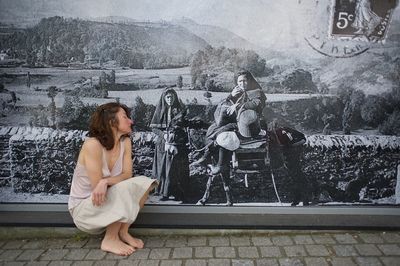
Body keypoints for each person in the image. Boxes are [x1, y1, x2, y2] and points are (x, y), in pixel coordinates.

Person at [68, 102, 158, 256]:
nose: (131, 121)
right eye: (125, 117)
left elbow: (126, 175)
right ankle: (110, 239)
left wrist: (106, 181)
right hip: (85, 210)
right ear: (111, 122)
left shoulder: (125, 142)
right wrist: (103, 183)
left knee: (144, 184)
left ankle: (123, 232)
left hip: (105, 207)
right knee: (123, 187)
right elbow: (98, 188)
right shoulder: (92, 145)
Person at [194, 70, 267, 175]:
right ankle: (207, 155)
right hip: (238, 122)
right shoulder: (239, 92)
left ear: (249, 80)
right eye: (239, 81)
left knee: (223, 131)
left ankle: (219, 164)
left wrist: (238, 106)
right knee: (213, 127)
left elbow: (257, 104)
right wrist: (231, 96)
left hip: (251, 124)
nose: (242, 84)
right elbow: (226, 103)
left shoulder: (256, 92)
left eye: (244, 81)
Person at [150, 88, 189, 201]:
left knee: (176, 169)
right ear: (164, 98)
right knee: (163, 169)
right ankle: (164, 193)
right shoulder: (160, 110)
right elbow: (154, 128)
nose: (170, 99)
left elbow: (184, 125)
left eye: (172, 97)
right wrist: (164, 135)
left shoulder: (179, 110)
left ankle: (178, 192)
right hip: (163, 144)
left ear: (175, 97)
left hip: (177, 143)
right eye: (167, 97)